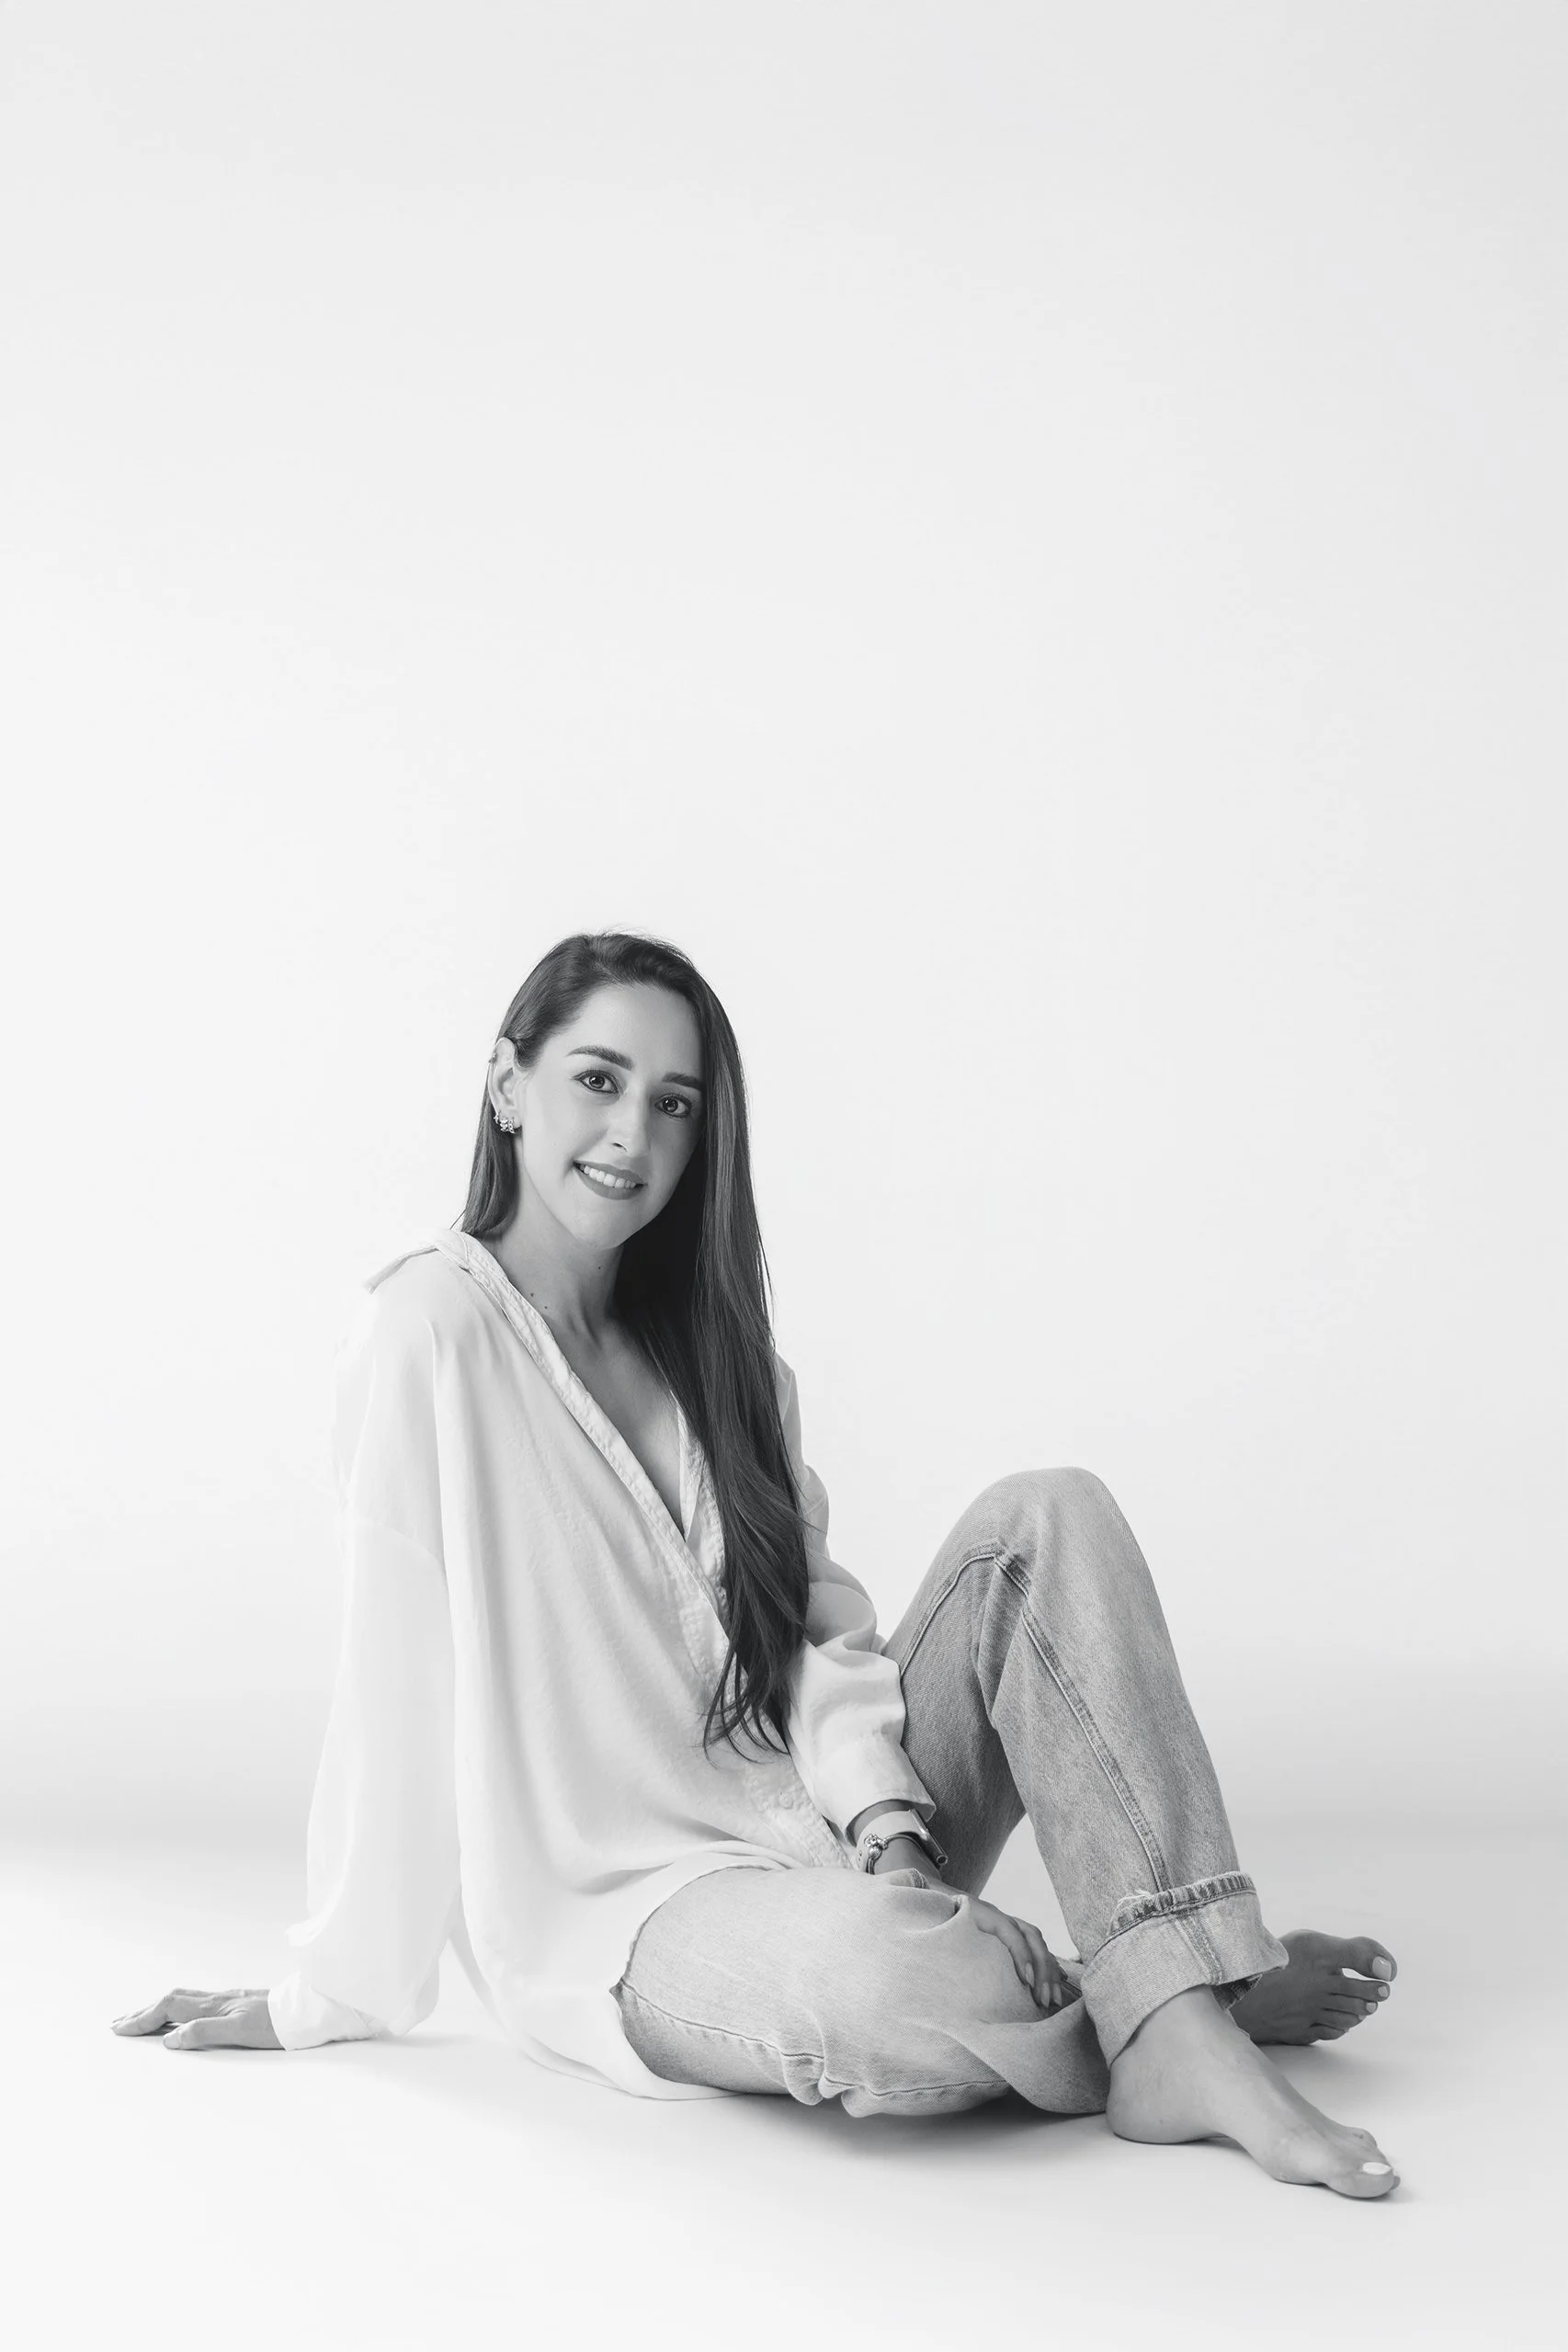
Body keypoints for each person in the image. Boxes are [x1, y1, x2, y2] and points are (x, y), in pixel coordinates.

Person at [112, 930, 1400, 2197]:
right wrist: (320, 1993)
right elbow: (391, 1683)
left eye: (674, 1103)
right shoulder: (426, 1331)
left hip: (836, 1833)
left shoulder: (718, 1358)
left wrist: (888, 1824)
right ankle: (1172, 1986)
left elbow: (810, 1632)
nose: (632, 1136)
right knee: (893, 1991)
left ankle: (1174, 2019)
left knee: (1048, 1514)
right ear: (507, 1086)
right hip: (630, 1914)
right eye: (597, 1079)